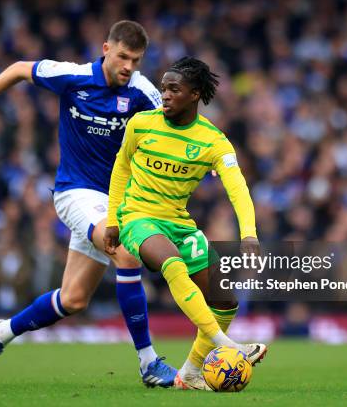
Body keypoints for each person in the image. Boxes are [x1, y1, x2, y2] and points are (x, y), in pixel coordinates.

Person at [0, 20, 176, 387]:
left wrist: (206, 158)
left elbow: (174, 127)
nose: (128, 66)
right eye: (123, 56)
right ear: (106, 49)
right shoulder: (73, 77)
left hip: (113, 203)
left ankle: (0, 332)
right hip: (74, 193)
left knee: (74, 299)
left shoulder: (143, 92)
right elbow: (18, 69)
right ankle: (148, 363)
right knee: (125, 253)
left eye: (136, 60)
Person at [104, 56, 267, 390]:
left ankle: (191, 373)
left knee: (224, 298)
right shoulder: (141, 124)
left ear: (194, 94)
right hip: (138, 217)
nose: (164, 95)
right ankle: (227, 345)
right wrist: (112, 218)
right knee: (172, 263)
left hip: (178, 223)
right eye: (163, 88)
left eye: (173, 89)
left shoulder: (214, 141)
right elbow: (121, 168)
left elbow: (237, 187)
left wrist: (248, 234)